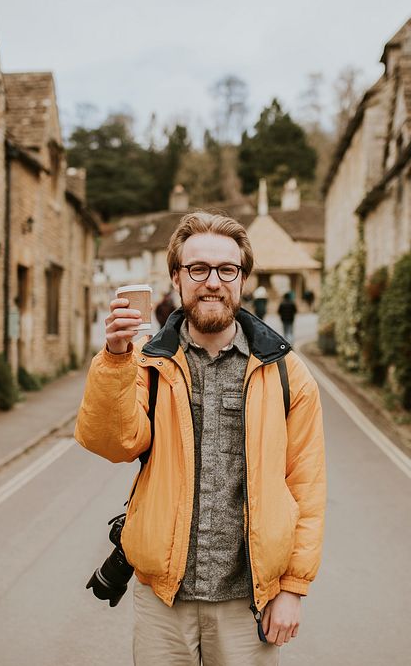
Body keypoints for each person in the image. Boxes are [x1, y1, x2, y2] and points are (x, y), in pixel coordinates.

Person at [76, 211, 326, 665]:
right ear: (176, 277)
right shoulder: (144, 364)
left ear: (243, 279)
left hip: (248, 602)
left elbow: (307, 487)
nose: (212, 281)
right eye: (197, 269)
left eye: (226, 269)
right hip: (163, 603)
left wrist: (293, 588)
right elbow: (111, 443)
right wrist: (115, 358)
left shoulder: (288, 374)